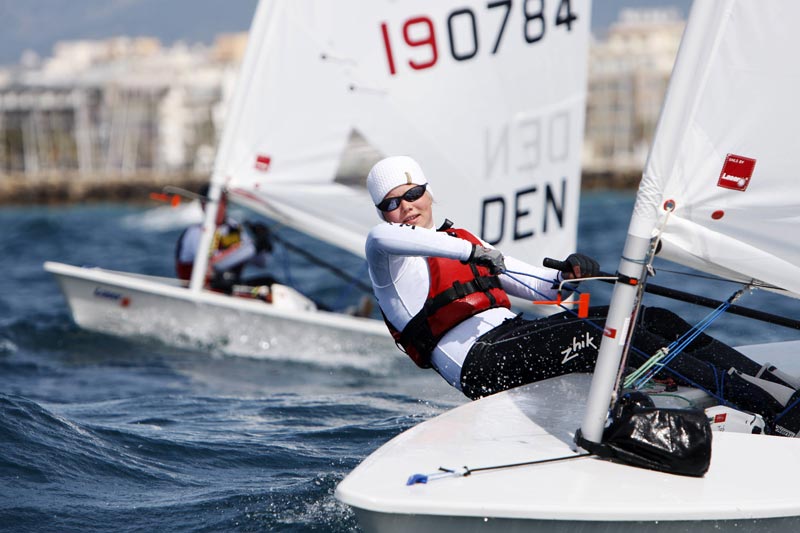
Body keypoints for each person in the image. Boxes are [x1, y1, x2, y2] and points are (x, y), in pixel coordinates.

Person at [365, 155, 800, 436]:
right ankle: (771, 414)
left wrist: (572, 277)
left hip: (515, 336)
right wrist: (477, 252)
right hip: (481, 364)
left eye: (414, 194)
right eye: (392, 202)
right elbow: (408, 241)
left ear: (429, 192)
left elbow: (538, 286)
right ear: (382, 213)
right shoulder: (386, 250)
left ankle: (776, 387)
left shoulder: (462, 240)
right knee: (606, 332)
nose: (406, 207)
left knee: (651, 318)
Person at [175, 185, 274, 293]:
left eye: (222, 202)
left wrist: (264, 245)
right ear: (203, 206)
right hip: (201, 291)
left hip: (230, 290)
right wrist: (254, 247)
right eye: (214, 203)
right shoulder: (195, 233)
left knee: (271, 285)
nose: (220, 207)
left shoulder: (234, 228)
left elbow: (261, 264)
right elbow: (214, 265)